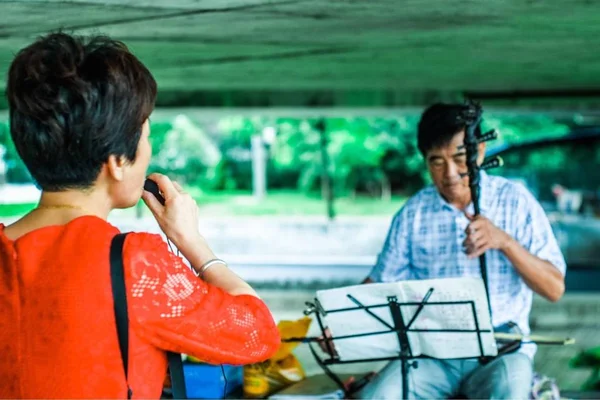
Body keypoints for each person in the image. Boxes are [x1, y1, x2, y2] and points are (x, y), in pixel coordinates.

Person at [0, 32, 280, 398]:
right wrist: (192, 242)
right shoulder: (135, 264)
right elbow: (256, 332)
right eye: (146, 137)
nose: (148, 151)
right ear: (117, 162)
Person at [333, 103, 566, 399]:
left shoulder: (516, 201)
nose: (451, 173)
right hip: (433, 354)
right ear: (425, 161)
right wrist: (340, 322)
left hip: (501, 353)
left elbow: (554, 288)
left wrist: (505, 242)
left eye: (459, 158)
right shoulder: (413, 212)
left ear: (480, 151)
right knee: (376, 396)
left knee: (509, 391)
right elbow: (380, 283)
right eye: (436, 161)